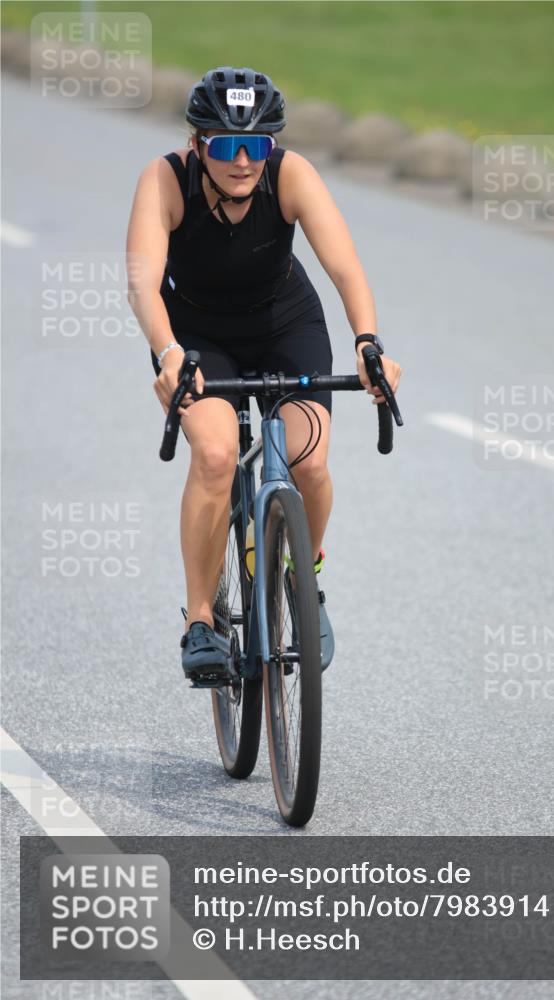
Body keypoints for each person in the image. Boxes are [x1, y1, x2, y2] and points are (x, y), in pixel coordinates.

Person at [126, 66, 402, 678]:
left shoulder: (290, 173)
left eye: (257, 145)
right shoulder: (165, 180)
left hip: (284, 322)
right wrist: (169, 353)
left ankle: (303, 577)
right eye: (227, 146)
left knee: (310, 463)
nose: (244, 161)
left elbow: (346, 266)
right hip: (196, 335)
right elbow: (143, 284)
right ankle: (201, 620)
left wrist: (367, 342)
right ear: (198, 144)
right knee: (216, 455)